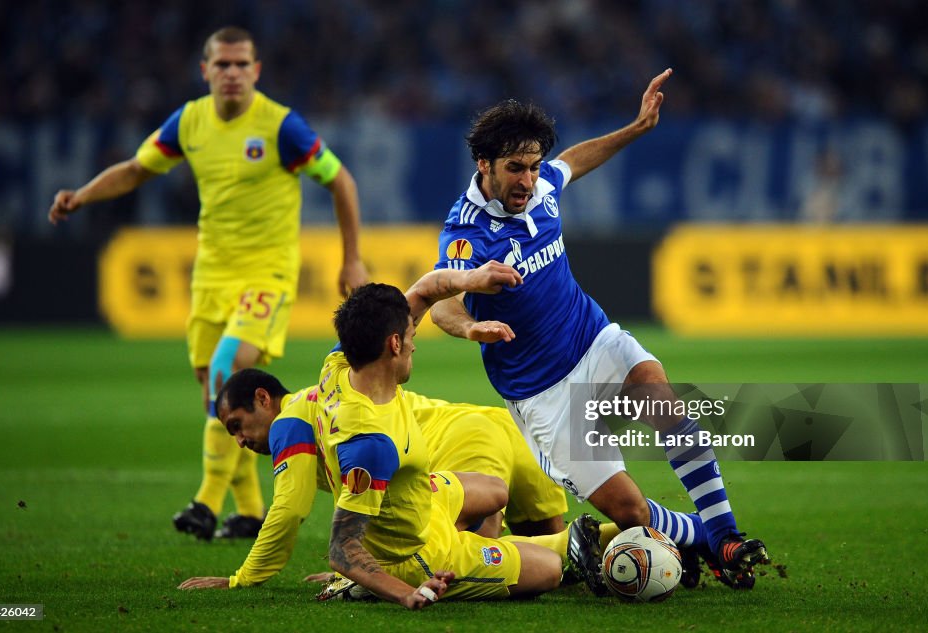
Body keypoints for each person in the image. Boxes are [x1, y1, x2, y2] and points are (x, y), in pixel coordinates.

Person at [429, 68, 769, 588]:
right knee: (629, 510)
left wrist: (634, 128)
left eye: (533, 167)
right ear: (484, 165)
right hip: (541, 392)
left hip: (592, 339)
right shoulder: (464, 235)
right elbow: (440, 304)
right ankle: (698, 536)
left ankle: (725, 534)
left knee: (662, 396)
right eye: (515, 169)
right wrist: (474, 327)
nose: (527, 180)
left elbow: (574, 162)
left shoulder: (541, 186)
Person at [48, 26, 369, 540]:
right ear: (206, 71)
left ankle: (205, 501)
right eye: (223, 65)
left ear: (257, 71)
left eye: (243, 64)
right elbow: (135, 169)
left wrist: (352, 259)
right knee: (219, 401)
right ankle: (248, 511)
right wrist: (81, 196)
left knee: (227, 368)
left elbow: (342, 181)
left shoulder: (282, 127)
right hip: (211, 276)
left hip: (267, 273)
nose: (233, 73)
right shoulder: (189, 121)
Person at [181, 264, 608, 607]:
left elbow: (423, 291)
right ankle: (630, 539)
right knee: (552, 569)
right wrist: (405, 591)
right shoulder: (370, 444)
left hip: (427, 495)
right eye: (413, 336)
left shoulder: (338, 367)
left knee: (495, 489)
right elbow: (342, 548)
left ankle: (582, 540)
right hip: (418, 553)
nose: (416, 344)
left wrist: (469, 280)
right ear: (394, 345)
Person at [175, 383, 572, 591]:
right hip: (501, 428)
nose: (241, 442)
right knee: (566, 550)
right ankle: (626, 534)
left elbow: (289, 508)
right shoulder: (331, 392)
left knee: (461, 559)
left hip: (457, 446)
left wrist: (242, 578)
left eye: (238, 427)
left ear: (264, 399)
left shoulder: (289, 422)